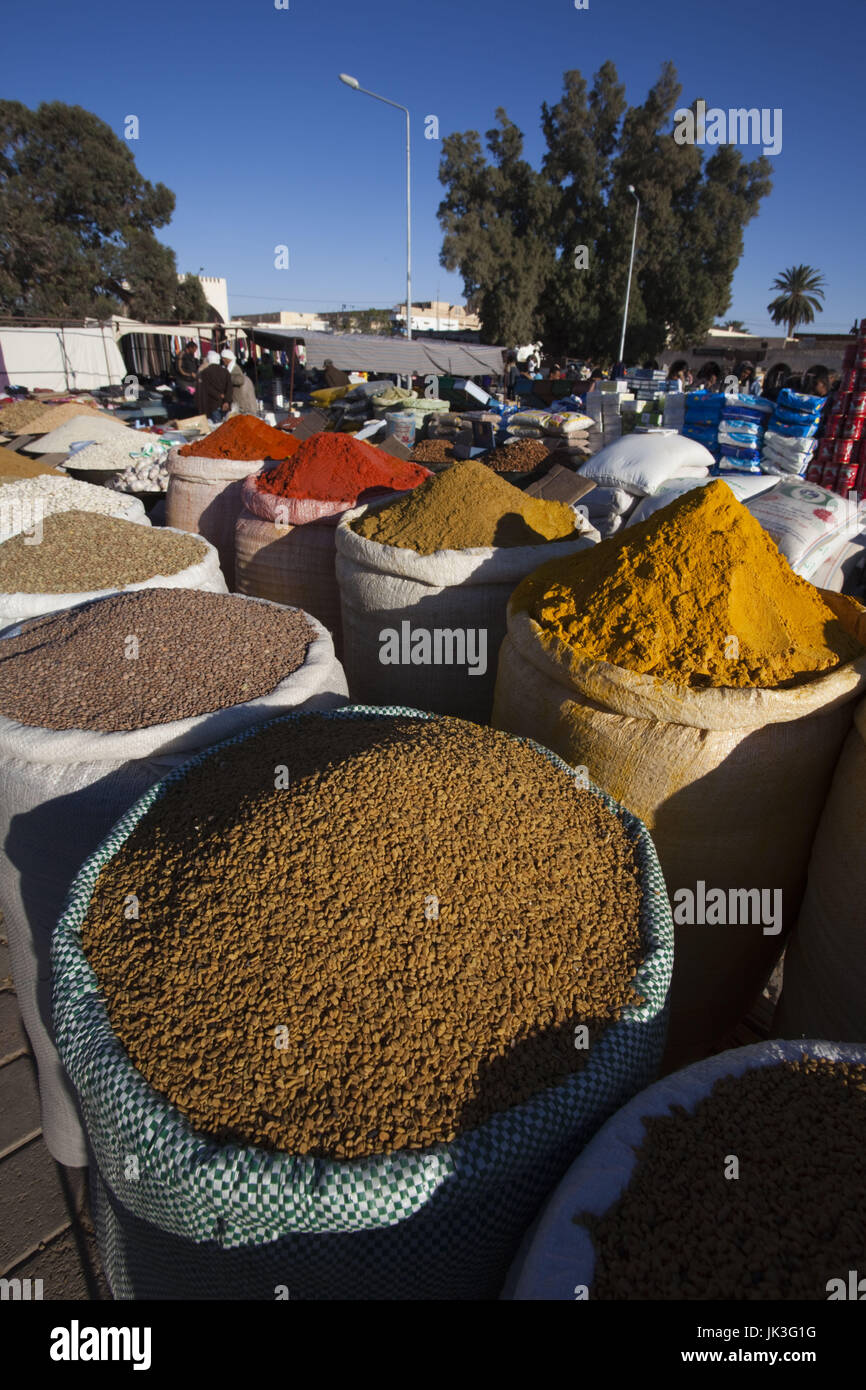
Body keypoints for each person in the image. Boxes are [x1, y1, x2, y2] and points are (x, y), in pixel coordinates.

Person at [196, 350, 232, 423]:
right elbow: (229, 388)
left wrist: (218, 395)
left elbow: (207, 388)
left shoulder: (205, 372)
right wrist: (227, 401)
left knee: (217, 427)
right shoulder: (225, 371)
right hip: (225, 404)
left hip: (213, 404)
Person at [221, 348, 258, 416]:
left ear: (228, 358)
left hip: (240, 401)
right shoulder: (230, 368)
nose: (223, 360)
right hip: (237, 401)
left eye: (224, 358)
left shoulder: (235, 368)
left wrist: (227, 378)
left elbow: (240, 380)